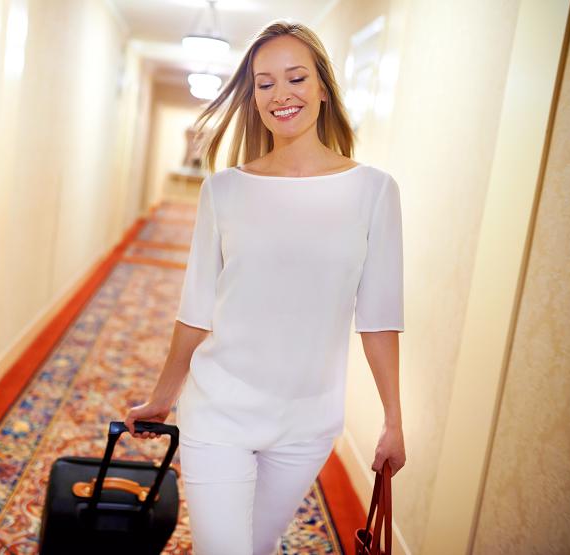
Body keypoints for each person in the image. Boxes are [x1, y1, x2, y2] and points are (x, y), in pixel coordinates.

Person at [124, 19, 406, 555]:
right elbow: (196, 311)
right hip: (219, 409)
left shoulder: (373, 191)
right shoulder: (225, 190)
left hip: (308, 421)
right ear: (253, 97)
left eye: (296, 78)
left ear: (322, 86)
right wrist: (164, 397)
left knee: (255, 544)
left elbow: (379, 318)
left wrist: (393, 419)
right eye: (265, 83)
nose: (281, 94)